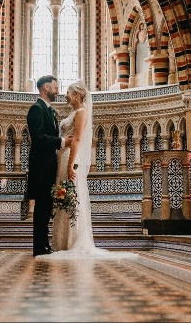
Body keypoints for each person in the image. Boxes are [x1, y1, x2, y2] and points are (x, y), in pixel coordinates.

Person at [43, 81, 137, 260]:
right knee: (64, 196)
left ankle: (71, 242)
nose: (65, 95)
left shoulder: (81, 113)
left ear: (77, 95)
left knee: (71, 196)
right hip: (63, 157)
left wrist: (71, 165)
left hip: (70, 158)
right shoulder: (74, 112)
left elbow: (77, 140)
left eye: (69, 92)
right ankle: (62, 242)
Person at [26, 75, 69, 257]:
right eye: (55, 87)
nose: (57, 91)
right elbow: (39, 138)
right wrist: (62, 141)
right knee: (41, 209)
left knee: (46, 207)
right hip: (41, 167)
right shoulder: (36, 109)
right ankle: (39, 247)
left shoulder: (49, 110)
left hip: (49, 167)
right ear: (45, 88)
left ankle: (44, 245)